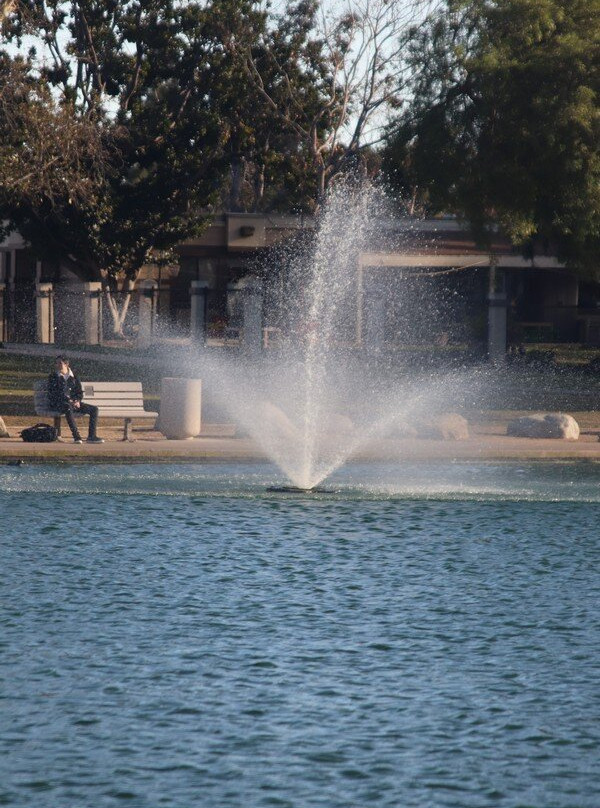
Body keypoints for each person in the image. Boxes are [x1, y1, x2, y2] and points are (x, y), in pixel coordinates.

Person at [47, 356, 104, 444]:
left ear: (66, 364)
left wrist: (77, 400)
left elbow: (79, 392)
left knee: (94, 409)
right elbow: (53, 394)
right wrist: (68, 400)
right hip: (59, 404)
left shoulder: (74, 377)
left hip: (73, 403)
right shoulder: (53, 377)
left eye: (60, 363)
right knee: (68, 407)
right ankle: (77, 437)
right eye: (56, 363)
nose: (57, 365)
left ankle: (91, 436)